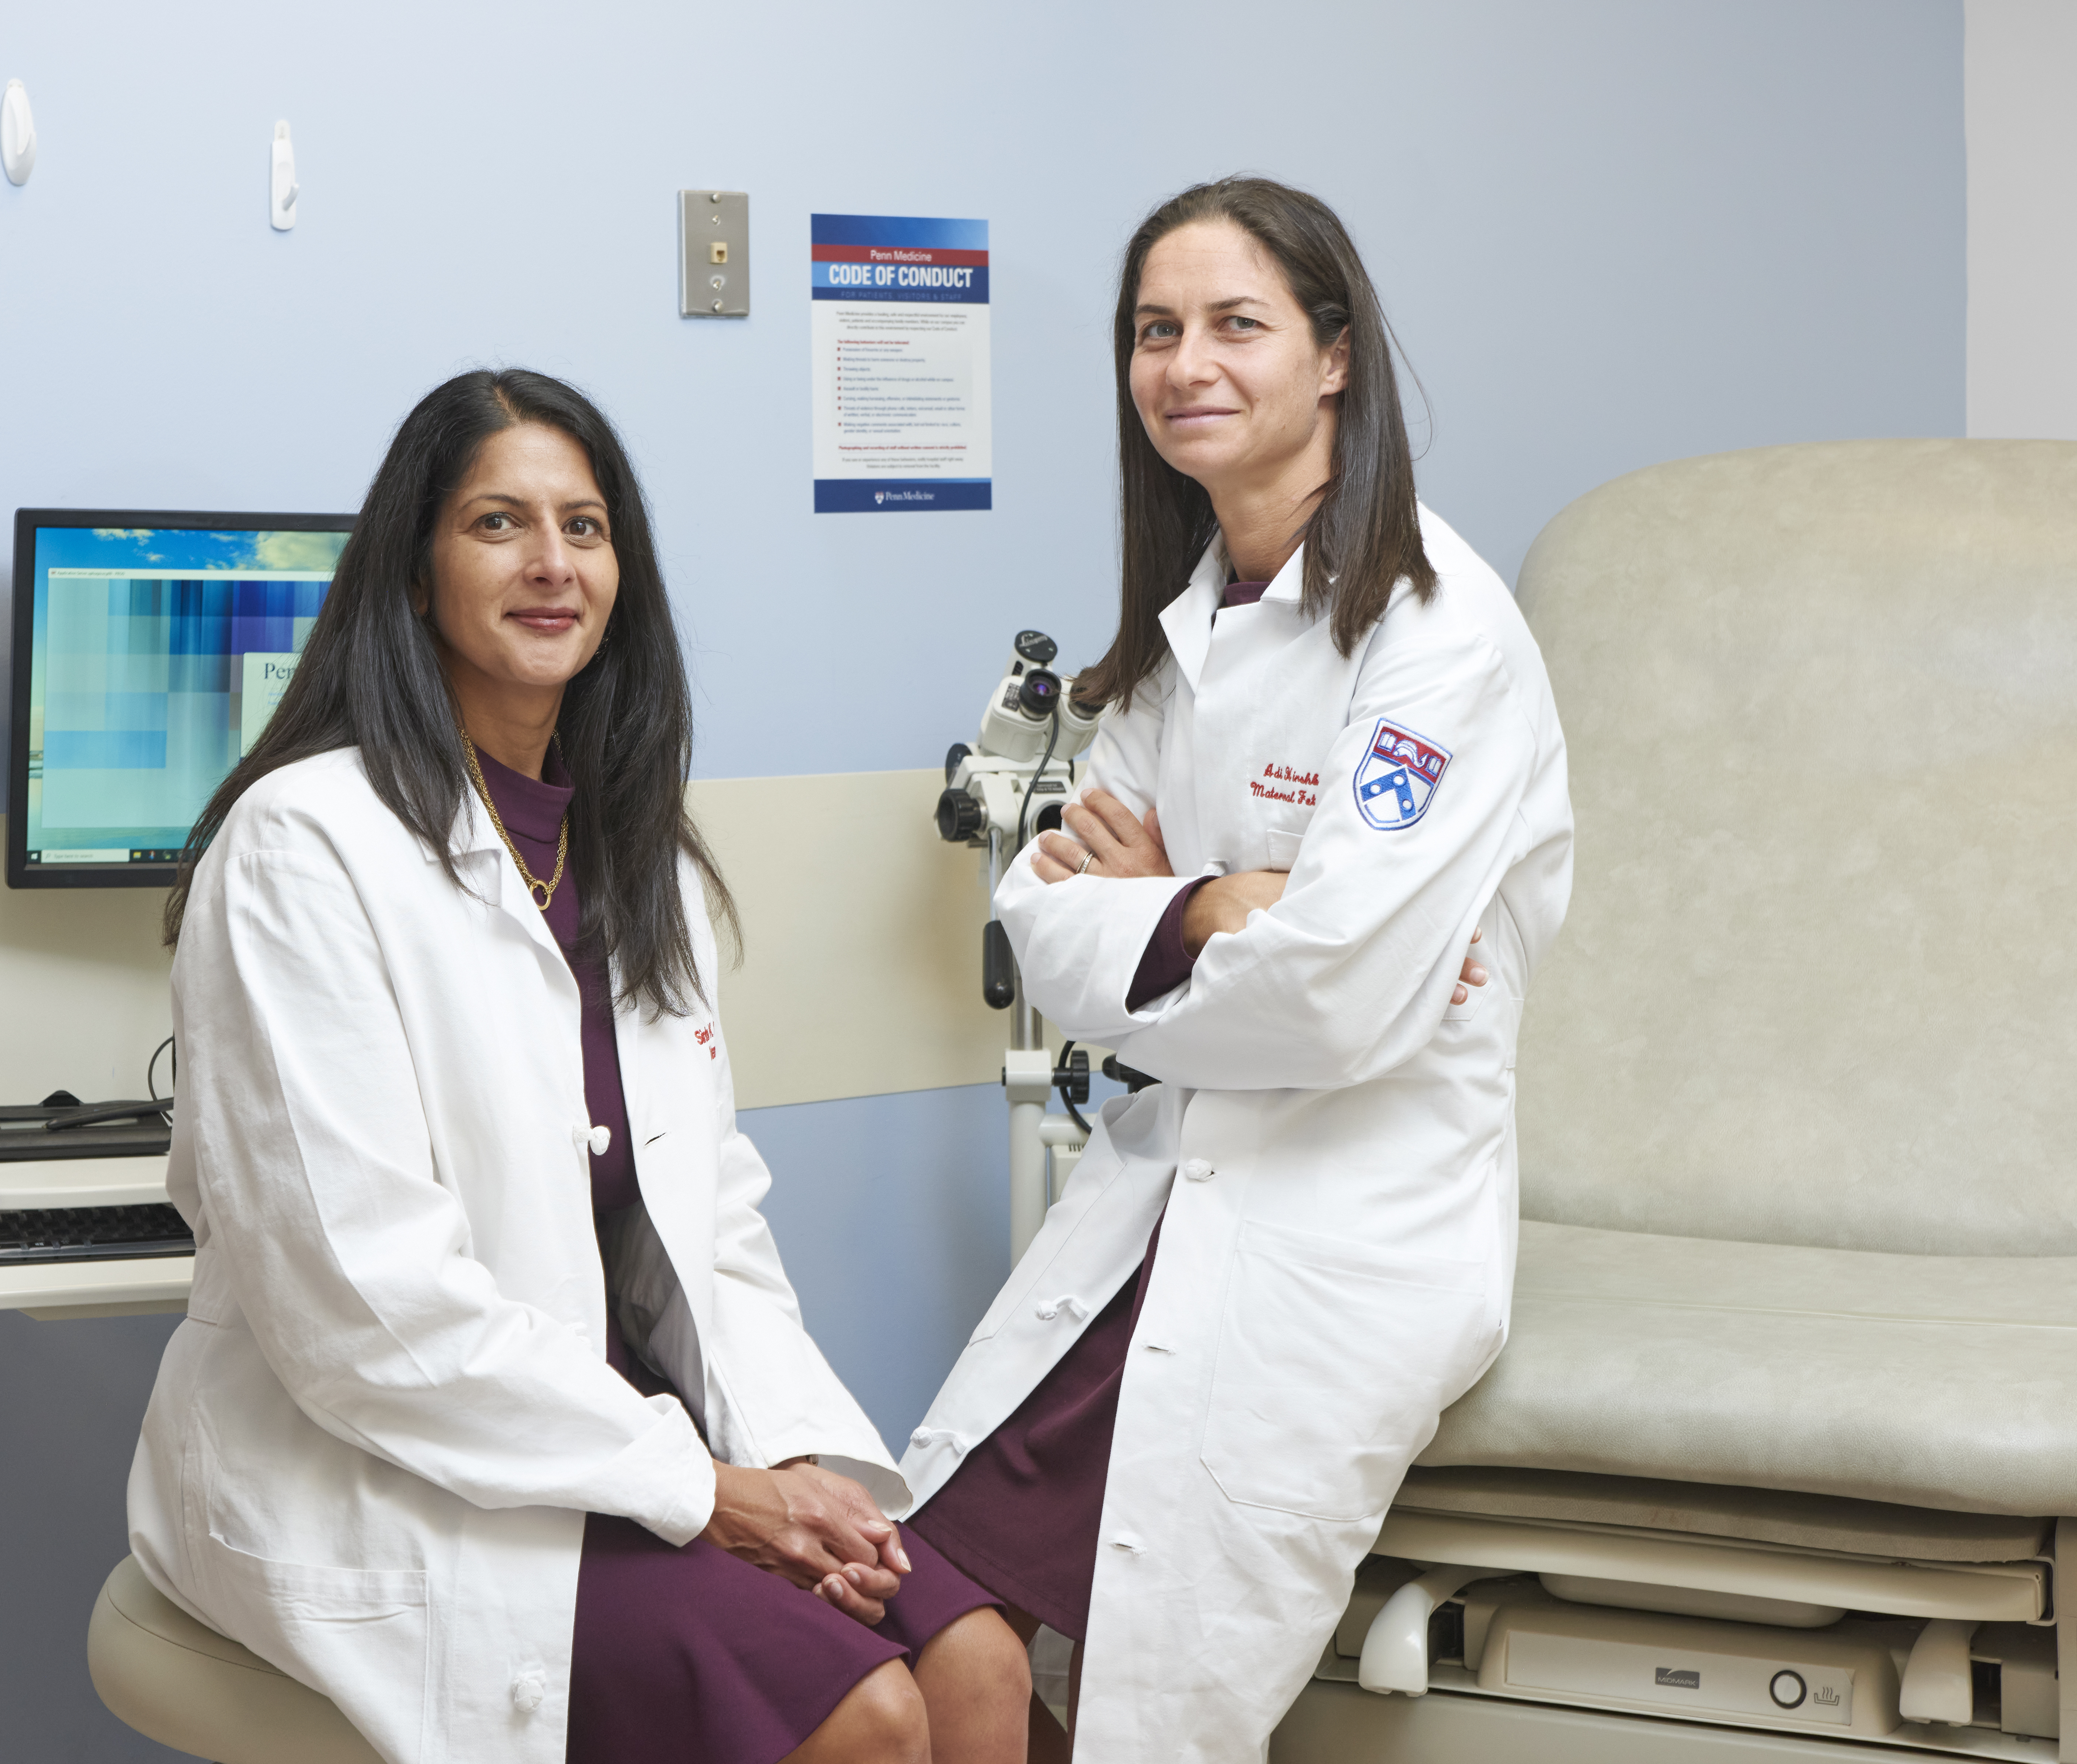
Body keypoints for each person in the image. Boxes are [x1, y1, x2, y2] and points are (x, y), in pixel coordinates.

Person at [127, 368, 1029, 1764]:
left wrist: (787, 1462)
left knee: (977, 1664)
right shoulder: (304, 846)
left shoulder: (634, 852)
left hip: (640, 1449)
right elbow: (369, 1311)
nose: (553, 563)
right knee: (867, 1717)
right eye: (499, 523)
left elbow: (710, 1225)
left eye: (586, 527)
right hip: (407, 1469)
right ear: (416, 573)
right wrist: (707, 1493)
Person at [897, 178, 1575, 1759]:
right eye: (1154, 331)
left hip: (1342, 1226)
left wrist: (1168, 906)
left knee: (1130, 1696)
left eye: (1234, 325)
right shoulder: (1181, 630)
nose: (1183, 363)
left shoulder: (1438, 635)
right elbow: (1049, 935)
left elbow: (1339, 1000)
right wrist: (1226, 910)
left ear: (1333, 357)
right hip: (1160, 1189)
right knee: (933, 1613)